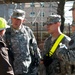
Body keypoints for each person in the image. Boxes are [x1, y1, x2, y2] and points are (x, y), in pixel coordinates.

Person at [5, 9, 41, 75]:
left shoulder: (28, 31)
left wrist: (38, 64)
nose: (16, 21)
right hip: (13, 71)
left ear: (23, 20)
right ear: (11, 18)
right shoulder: (6, 33)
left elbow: (35, 47)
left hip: (28, 70)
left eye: (19, 19)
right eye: (14, 18)